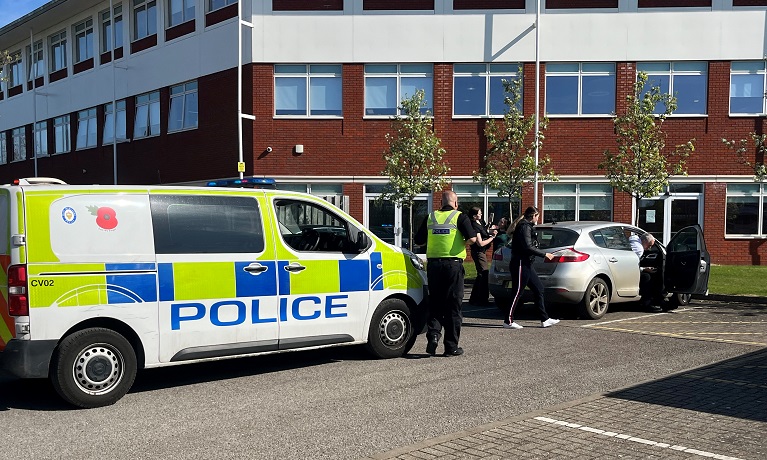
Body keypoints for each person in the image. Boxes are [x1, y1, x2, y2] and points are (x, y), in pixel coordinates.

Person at [414, 190, 477, 357]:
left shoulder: (431, 217)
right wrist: (460, 243)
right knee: (453, 306)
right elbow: (473, 239)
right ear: (455, 203)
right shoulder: (460, 217)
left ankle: (433, 335)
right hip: (453, 266)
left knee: (435, 303)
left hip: (434, 266)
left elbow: (418, 240)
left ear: (440, 203)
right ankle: (451, 347)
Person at [505, 206, 559, 329]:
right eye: (538, 216)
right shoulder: (524, 227)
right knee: (517, 292)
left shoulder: (527, 226)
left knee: (539, 288)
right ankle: (508, 321)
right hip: (520, 263)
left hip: (527, 264)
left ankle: (544, 319)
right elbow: (527, 246)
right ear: (533, 216)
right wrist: (545, 254)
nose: (538, 219)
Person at [468, 207, 497, 306]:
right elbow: (480, 243)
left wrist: (490, 228)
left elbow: (485, 231)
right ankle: (482, 299)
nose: (481, 215)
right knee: (484, 273)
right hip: (478, 252)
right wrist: (492, 238)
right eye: (479, 214)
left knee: (480, 275)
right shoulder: (474, 226)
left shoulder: (480, 222)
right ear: (474, 216)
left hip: (482, 252)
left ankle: (474, 298)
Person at [637, 233, 664, 313]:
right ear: (644, 241)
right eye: (649, 245)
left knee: (650, 274)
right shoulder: (638, 249)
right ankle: (647, 303)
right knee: (647, 277)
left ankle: (653, 300)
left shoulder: (634, 241)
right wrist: (644, 269)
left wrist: (645, 268)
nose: (649, 249)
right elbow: (631, 266)